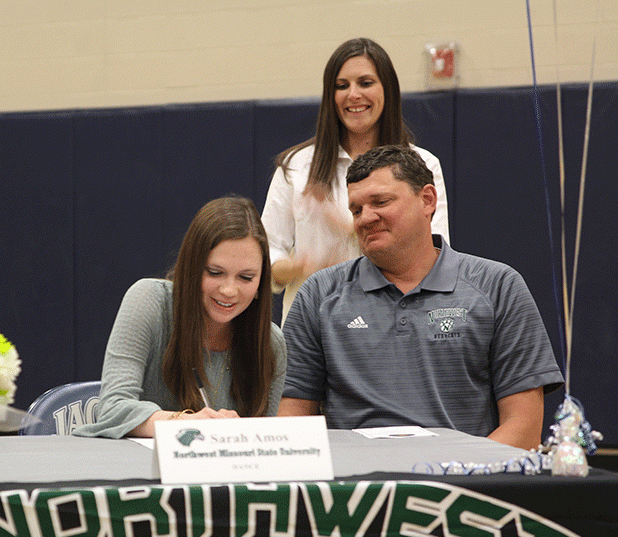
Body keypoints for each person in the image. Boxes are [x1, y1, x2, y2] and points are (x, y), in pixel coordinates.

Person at [279, 145, 563, 450]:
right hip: (358, 489)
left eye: (380, 202)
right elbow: (293, 424)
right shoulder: (318, 295)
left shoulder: (499, 286)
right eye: (356, 209)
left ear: (427, 200)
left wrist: (453, 479)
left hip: (463, 486)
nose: (364, 219)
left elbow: (524, 429)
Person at [261, 38, 450, 321]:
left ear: (387, 89)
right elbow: (267, 251)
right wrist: (295, 268)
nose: (353, 95)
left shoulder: (423, 165)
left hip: (395, 323)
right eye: (342, 85)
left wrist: (349, 228)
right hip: (315, 323)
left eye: (365, 83)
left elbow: (435, 249)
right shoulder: (297, 167)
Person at [73, 196, 286, 438]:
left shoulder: (271, 343)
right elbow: (112, 408)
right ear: (191, 267)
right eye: (215, 272)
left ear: (261, 282)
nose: (229, 290)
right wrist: (187, 423)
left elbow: (266, 443)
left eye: (246, 278)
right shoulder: (149, 301)